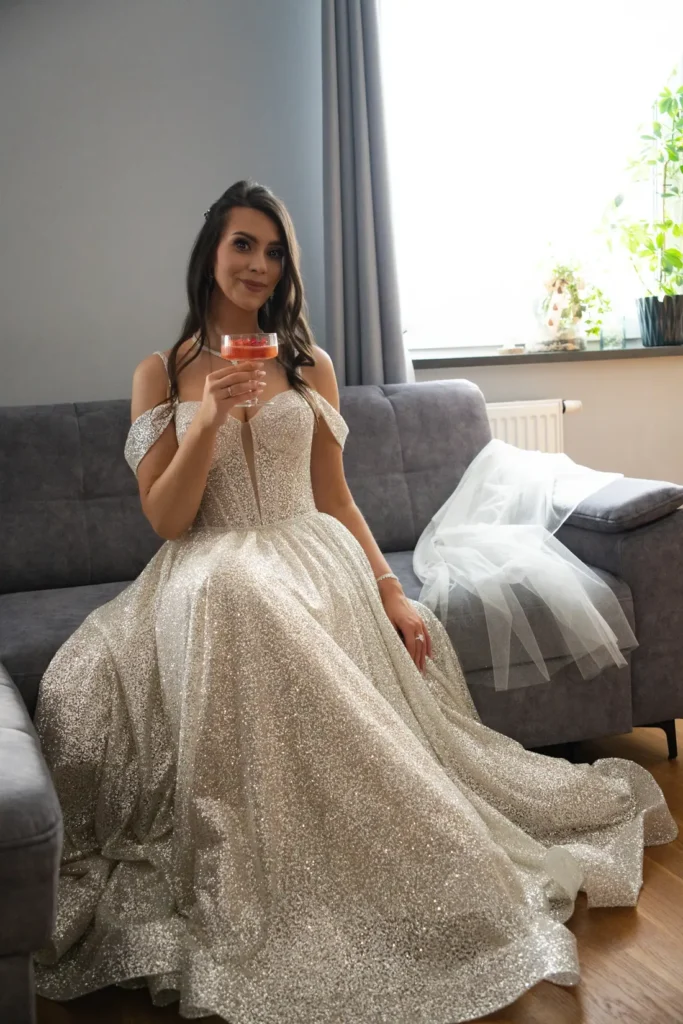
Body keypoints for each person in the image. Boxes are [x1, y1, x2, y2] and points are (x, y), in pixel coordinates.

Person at [35, 180, 676, 1024]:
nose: (259, 265)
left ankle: (411, 839)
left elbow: (334, 497)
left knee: (265, 594)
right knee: (234, 591)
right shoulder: (161, 371)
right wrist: (207, 421)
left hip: (310, 551)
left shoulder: (309, 365)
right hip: (206, 560)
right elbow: (166, 519)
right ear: (210, 252)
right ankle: (267, 853)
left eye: (273, 251)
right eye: (242, 244)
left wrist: (390, 592)